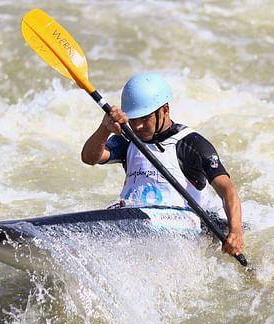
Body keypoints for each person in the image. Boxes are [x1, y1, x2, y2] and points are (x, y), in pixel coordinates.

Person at [81, 73, 244, 257]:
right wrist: (105, 128)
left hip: (180, 226)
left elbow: (227, 189)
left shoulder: (192, 144)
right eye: (133, 119)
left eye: (144, 118)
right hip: (133, 221)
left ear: (165, 110)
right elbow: (89, 157)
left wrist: (236, 232)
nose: (138, 126)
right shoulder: (128, 140)